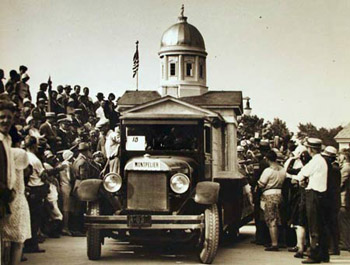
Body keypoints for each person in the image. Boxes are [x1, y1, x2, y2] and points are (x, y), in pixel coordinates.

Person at [294, 138, 329, 264]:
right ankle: (324, 253)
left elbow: (302, 174)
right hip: (320, 194)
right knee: (320, 225)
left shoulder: (315, 161)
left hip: (313, 194)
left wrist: (295, 178)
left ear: (311, 149)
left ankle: (314, 254)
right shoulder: (322, 160)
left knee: (313, 225)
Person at [1, 148, 31, 265]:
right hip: (17, 203)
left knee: (5, 240)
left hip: (6, 202)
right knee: (18, 241)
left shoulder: (5, 169)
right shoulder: (19, 159)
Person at [23, 136, 48, 253]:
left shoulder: (24, 156)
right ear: (33, 146)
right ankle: (32, 245)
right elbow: (44, 175)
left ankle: (28, 244)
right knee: (35, 219)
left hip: (28, 189)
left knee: (29, 218)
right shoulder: (35, 159)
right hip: (36, 189)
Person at [258, 150, 286, 251]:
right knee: (279, 219)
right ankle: (281, 240)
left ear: (267, 159)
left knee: (271, 220)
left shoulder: (268, 171)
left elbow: (261, 184)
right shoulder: (282, 170)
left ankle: (274, 243)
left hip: (269, 195)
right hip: (280, 194)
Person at [321, 146, 341, 255]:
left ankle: (332, 247)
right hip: (335, 198)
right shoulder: (335, 168)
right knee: (333, 223)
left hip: (330, 199)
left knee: (330, 223)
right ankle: (334, 247)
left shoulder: (332, 169)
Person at [59, 150, 74, 236]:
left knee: (65, 207)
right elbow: (69, 178)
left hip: (63, 186)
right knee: (66, 209)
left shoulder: (62, 164)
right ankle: (65, 227)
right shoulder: (67, 165)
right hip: (67, 187)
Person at [339, 148, 350, 252]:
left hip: (344, 198)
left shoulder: (346, 168)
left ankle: (344, 243)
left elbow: (341, 183)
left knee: (344, 221)